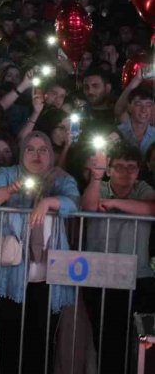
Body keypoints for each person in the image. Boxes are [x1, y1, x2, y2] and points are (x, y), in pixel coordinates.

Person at [0, 131, 80, 374]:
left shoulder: (60, 178)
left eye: (43, 149)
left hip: (48, 274)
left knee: (43, 339)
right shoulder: (9, 174)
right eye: (31, 149)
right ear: (22, 152)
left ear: (51, 153)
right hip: (11, 273)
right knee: (10, 338)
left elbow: (75, 203)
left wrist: (48, 202)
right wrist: (10, 190)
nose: (37, 154)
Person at [80, 141, 155, 374]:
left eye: (131, 167)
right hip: (101, 275)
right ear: (109, 170)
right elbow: (89, 206)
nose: (125, 172)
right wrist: (95, 177)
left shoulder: (143, 188)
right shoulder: (99, 186)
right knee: (104, 337)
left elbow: (151, 208)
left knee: (141, 339)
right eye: (119, 167)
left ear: (138, 171)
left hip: (138, 276)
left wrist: (114, 203)